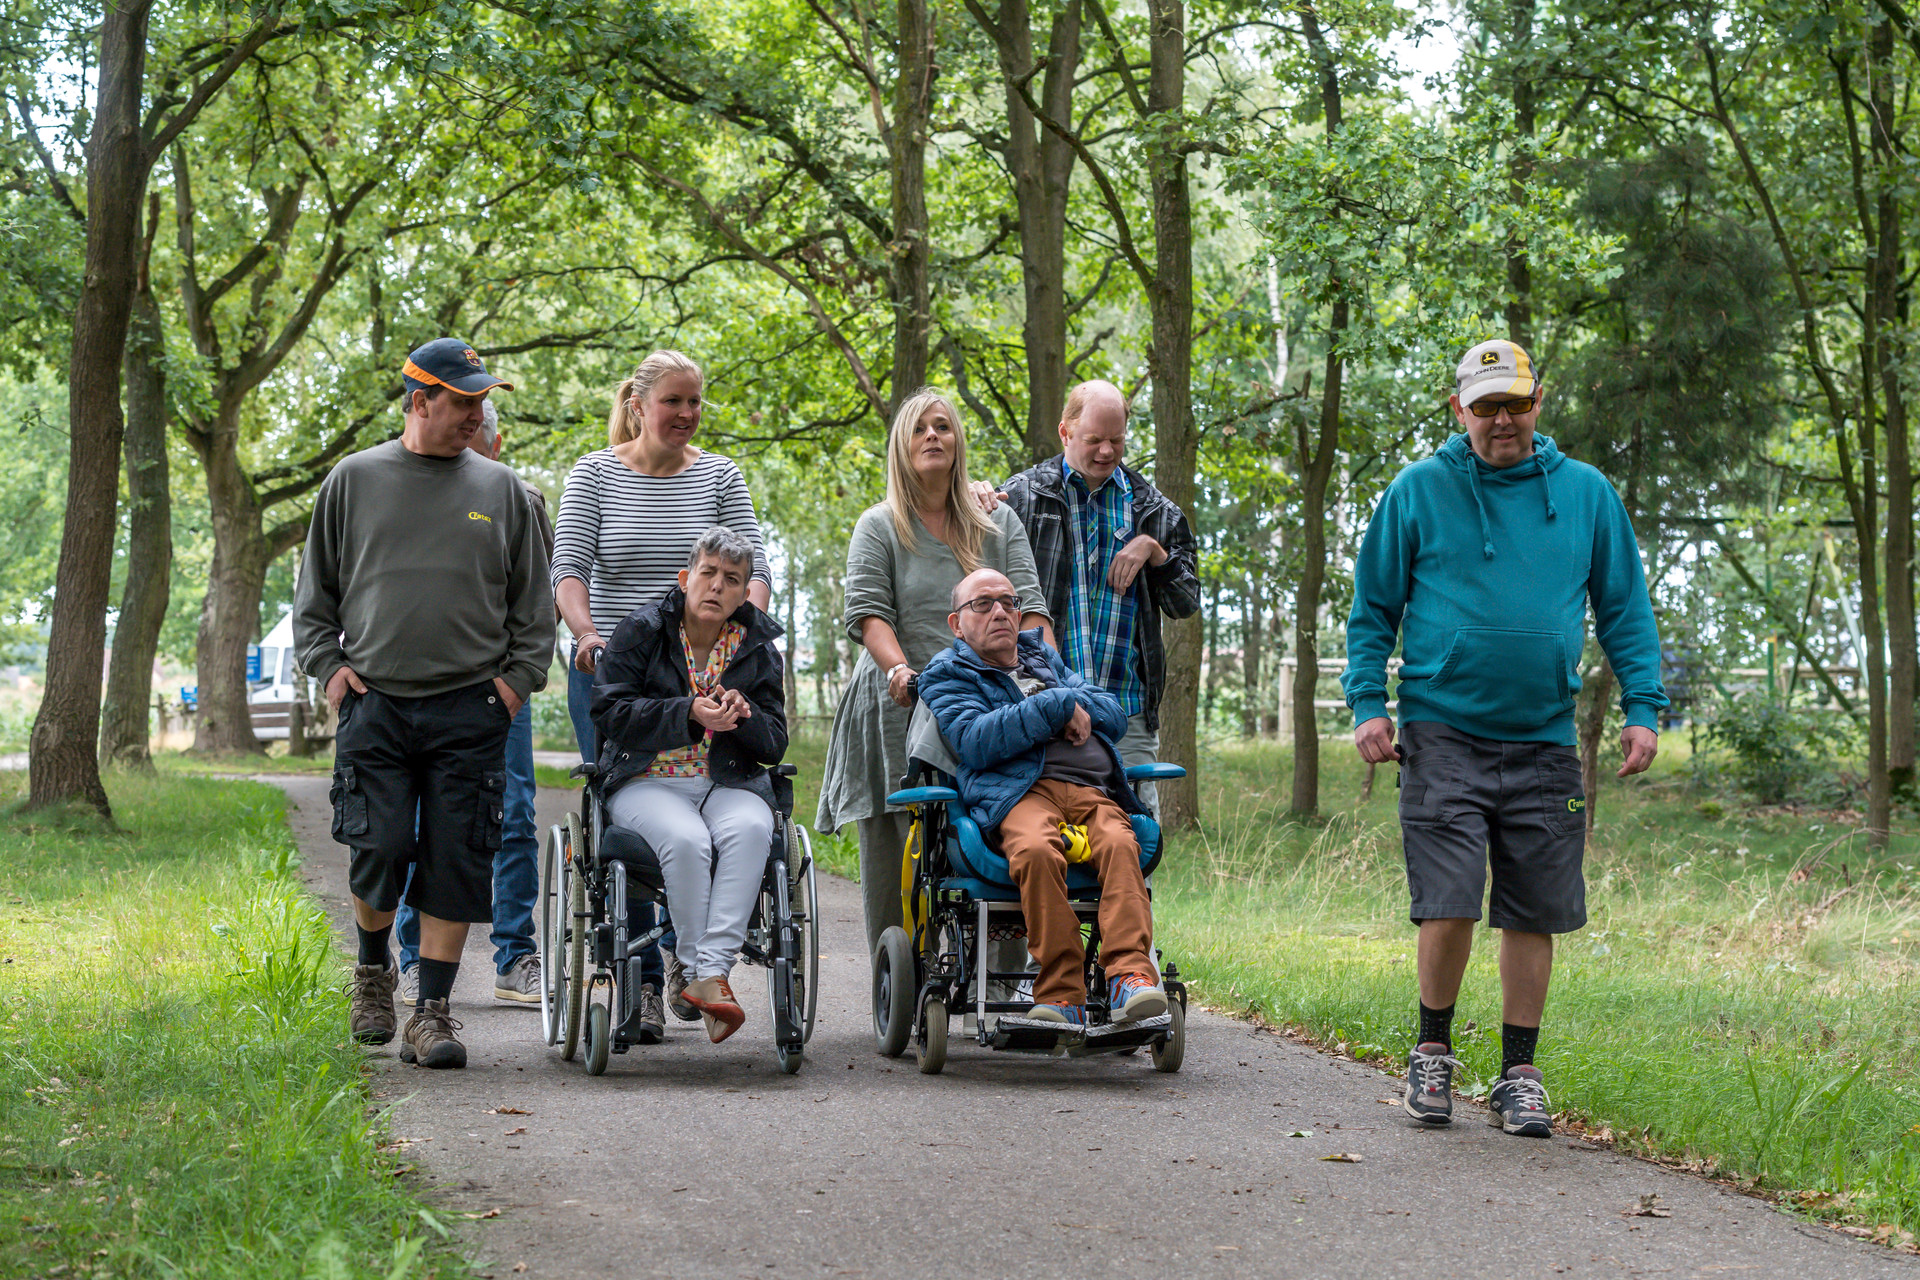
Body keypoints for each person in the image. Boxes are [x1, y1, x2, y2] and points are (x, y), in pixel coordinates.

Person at [1342, 338, 1667, 1137]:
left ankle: (1519, 1071)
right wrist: (1366, 704)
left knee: (1535, 910)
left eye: (1514, 403)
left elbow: (1625, 608)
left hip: (1544, 735)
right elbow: (1372, 610)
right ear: (1460, 410)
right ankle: (1432, 1051)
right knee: (1447, 902)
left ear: (1537, 402)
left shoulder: (1587, 495)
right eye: (1485, 406)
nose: (1501, 420)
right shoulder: (1418, 491)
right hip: (1440, 726)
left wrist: (1644, 707)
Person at [294, 338, 553, 1069]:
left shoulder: (502, 490)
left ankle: (432, 1014)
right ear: (419, 401)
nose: (476, 414)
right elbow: (315, 597)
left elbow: (533, 608)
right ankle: (374, 972)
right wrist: (332, 671)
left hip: (471, 708)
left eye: (480, 402)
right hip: (375, 703)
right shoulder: (353, 479)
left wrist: (513, 685)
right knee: (378, 847)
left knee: (456, 858)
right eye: (462, 401)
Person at [550, 349, 773, 1036]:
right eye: (673, 401)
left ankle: (689, 964)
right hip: (620, 670)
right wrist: (587, 634)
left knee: (711, 804)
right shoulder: (594, 473)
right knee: (635, 818)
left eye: (695, 402)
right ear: (640, 404)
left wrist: (750, 636)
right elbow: (569, 567)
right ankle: (643, 983)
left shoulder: (718, 475)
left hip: (708, 660)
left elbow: (753, 567)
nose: (686, 414)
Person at [816, 389, 1051, 954]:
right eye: (919, 428)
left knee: (1001, 823)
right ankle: (897, 983)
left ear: (957, 441)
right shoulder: (879, 526)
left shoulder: (998, 522)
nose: (932, 436)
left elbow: (1032, 612)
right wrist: (899, 671)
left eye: (943, 426)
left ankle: (1005, 979)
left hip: (991, 702)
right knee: (898, 847)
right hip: (900, 702)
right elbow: (869, 615)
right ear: (901, 444)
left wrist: (1047, 684)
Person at [917, 568, 1166, 1027]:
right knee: (1035, 849)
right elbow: (974, 739)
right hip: (1017, 794)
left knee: (1119, 843)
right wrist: (1056, 706)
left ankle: (1129, 977)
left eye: (1009, 602)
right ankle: (1061, 991)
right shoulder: (946, 674)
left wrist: (1065, 698)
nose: (1000, 612)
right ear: (957, 623)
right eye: (983, 603)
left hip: (1093, 790)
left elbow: (1111, 713)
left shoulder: (1043, 656)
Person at [591, 527, 786, 1043]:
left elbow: (775, 743)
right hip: (646, 779)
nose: (717, 587)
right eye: (709, 574)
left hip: (725, 782)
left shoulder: (759, 648)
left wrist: (745, 719)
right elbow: (609, 712)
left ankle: (709, 975)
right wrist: (688, 713)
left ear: (746, 593)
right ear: (686, 578)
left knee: (751, 827)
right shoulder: (642, 630)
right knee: (687, 840)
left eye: (732, 579)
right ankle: (705, 971)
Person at [393, 398, 551, 1008]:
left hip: (497, 688)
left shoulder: (522, 497)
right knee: (420, 818)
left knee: (512, 813)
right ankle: (414, 960)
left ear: (495, 444)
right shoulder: (405, 488)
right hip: (421, 687)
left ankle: (515, 956)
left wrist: (515, 681)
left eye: (476, 441)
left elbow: (534, 593)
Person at [991, 381, 1199, 815]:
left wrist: (1154, 552)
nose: (1107, 451)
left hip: (1127, 712)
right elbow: (981, 582)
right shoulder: (1024, 497)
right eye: (1094, 440)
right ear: (1065, 433)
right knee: (1056, 837)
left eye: (1117, 440)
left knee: (1137, 842)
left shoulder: (1154, 510)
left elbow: (1186, 603)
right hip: (1043, 705)